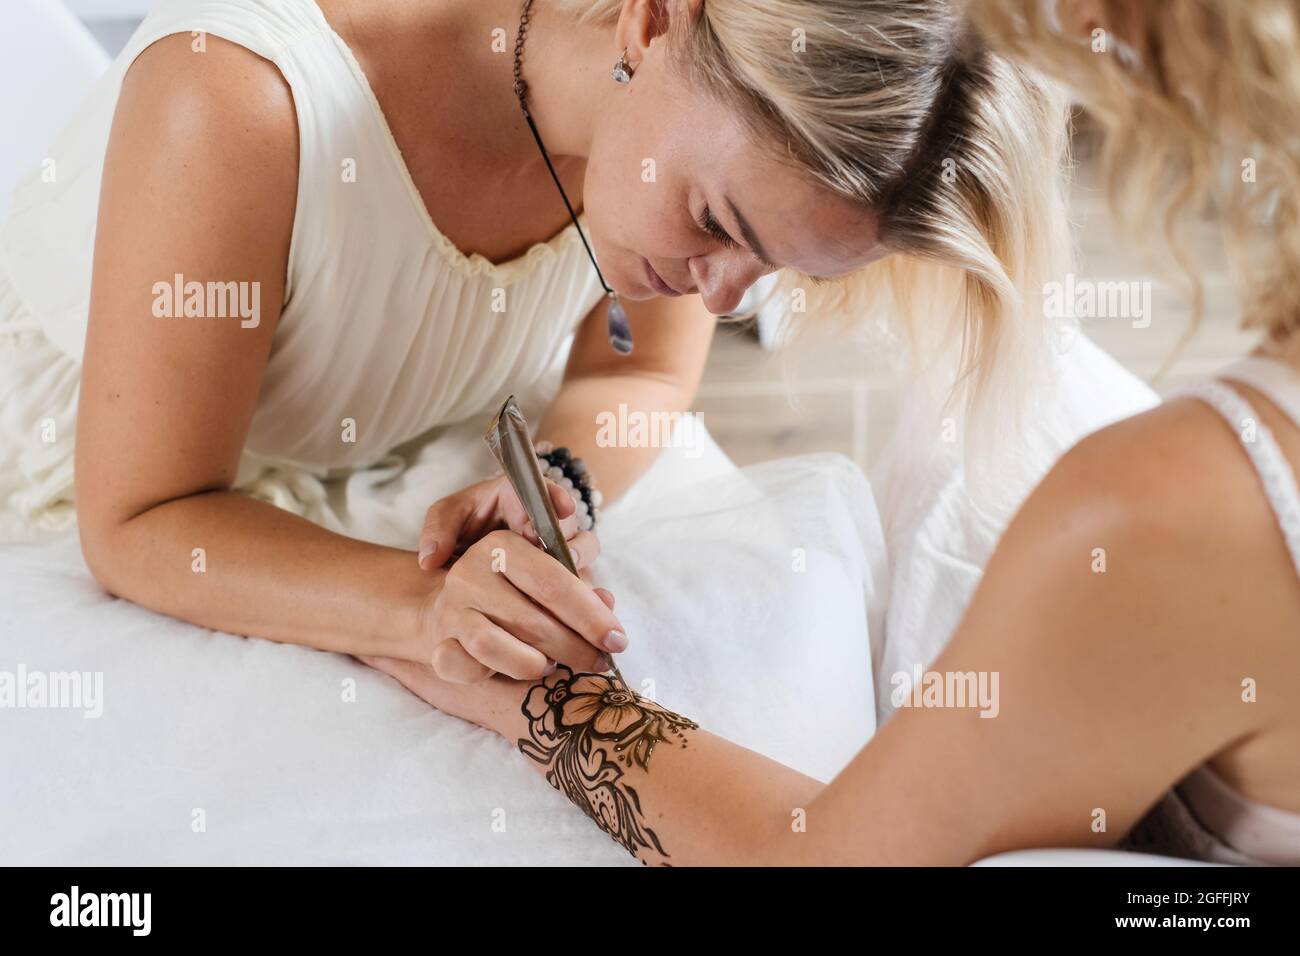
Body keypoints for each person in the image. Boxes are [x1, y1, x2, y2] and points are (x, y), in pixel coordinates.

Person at [366, 0, 1300, 865]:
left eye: (766, 257)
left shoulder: (1158, 513)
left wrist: (539, 696)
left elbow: (817, 858)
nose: (719, 296)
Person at [0, 1, 1074, 690]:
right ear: (654, 24)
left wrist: (559, 480)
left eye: (776, 268)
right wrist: (424, 608)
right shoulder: (240, 98)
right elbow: (143, 518)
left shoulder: (672, 129)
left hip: (402, 448)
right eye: (716, 223)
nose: (723, 294)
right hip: (105, 476)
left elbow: (640, 367)